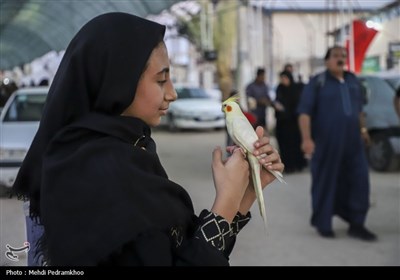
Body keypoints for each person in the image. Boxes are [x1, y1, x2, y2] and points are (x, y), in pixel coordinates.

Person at [12, 13, 284, 266]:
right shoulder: (94, 171)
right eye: (161, 80)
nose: (173, 93)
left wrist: (243, 194)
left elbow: (182, 251)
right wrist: (225, 201)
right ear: (118, 81)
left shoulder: (131, 148)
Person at [297, 45, 377, 241]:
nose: (340, 59)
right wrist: (307, 139)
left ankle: (357, 224)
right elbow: (304, 113)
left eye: (343, 56)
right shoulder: (318, 82)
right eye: (335, 56)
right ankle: (324, 224)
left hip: (353, 142)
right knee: (326, 180)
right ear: (326, 61)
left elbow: (359, 110)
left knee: (359, 181)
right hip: (327, 143)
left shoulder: (353, 81)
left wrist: (363, 130)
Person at [274, 71, 306, 173]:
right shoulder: (280, 89)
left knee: (295, 144)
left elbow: (297, 106)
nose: (283, 81)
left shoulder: (295, 89)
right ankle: (287, 166)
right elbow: (277, 101)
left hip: (293, 123)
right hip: (283, 123)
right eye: (282, 79)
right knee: (284, 146)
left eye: (285, 78)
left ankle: (297, 165)